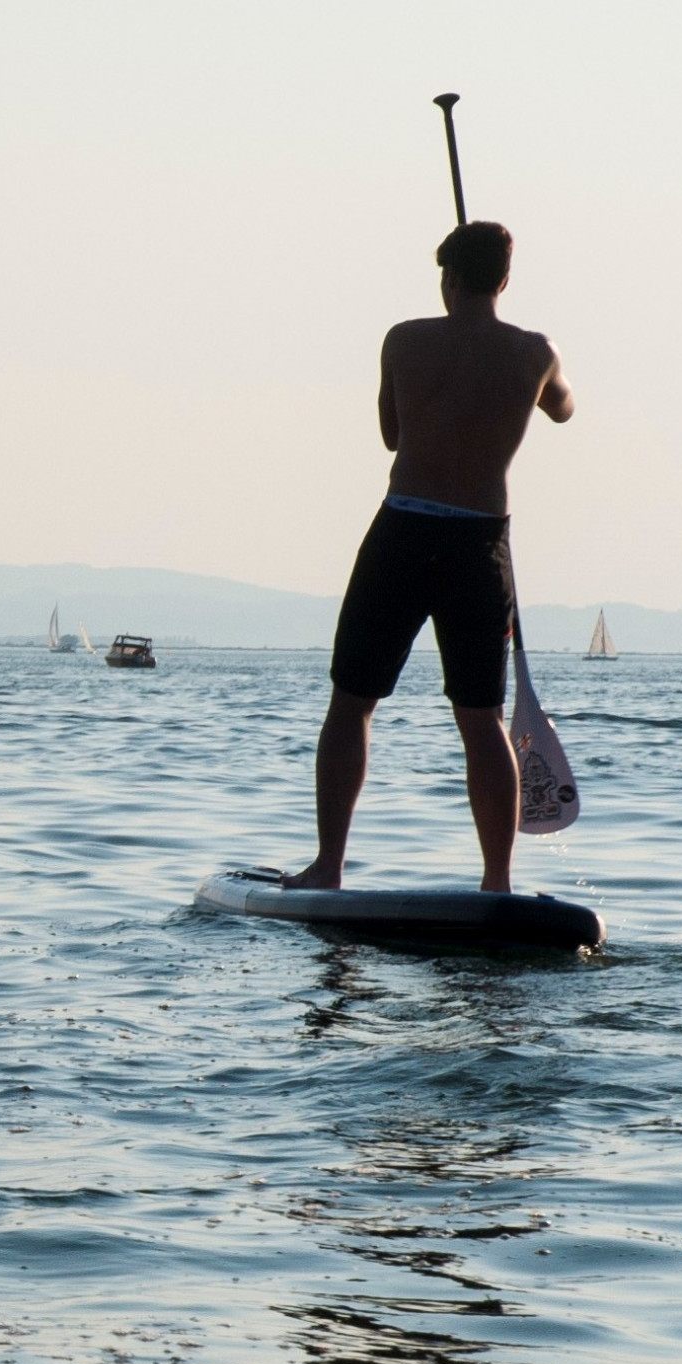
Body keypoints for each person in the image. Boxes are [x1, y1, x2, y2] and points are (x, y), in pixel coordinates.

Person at [287, 219, 573, 894]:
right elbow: (564, 410)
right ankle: (497, 882)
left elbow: (392, 434)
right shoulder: (536, 353)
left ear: (449, 277)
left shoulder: (404, 340)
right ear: (504, 280)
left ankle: (329, 867)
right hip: (479, 544)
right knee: (482, 719)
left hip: (404, 532)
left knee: (352, 704)